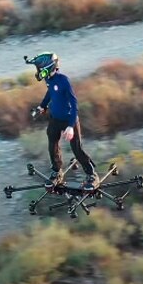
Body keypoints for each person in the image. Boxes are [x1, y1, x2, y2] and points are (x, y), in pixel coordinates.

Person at [26, 52, 97, 190]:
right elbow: (50, 93)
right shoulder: (49, 80)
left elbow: (74, 104)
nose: (38, 72)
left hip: (69, 118)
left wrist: (70, 126)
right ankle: (57, 171)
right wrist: (42, 106)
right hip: (55, 118)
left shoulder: (63, 80)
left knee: (77, 148)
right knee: (52, 144)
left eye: (40, 68)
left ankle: (91, 174)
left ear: (49, 67)